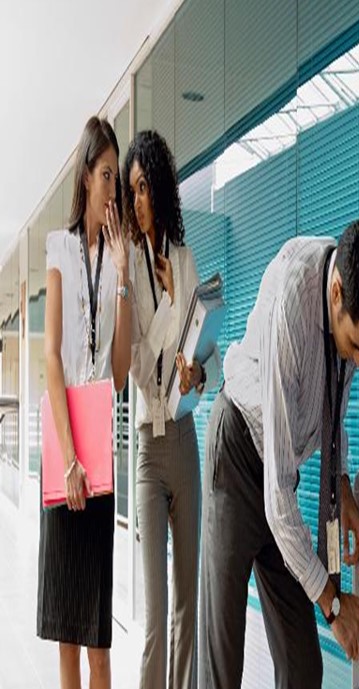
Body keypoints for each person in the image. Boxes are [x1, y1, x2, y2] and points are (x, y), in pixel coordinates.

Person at [199, 219, 359, 688]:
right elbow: (278, 500)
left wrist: (343, 486)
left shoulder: (348, 297)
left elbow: (334, 413)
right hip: (238, 457)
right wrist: (331, 605)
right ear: (335, 293)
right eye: (355, 345)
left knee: (304, 667)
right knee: (221, 662)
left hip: (277, 473)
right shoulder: (293, 300)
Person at [37, 116, 132, 689]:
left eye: (117, 178)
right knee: (67, 637)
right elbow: (51, 357)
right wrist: (68, 458)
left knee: (98, 638)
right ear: (85, 179)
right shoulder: (59, 249)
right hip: (67, 449)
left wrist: (122, 279)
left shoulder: (116, 261)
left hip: (99, 454)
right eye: (106, 175)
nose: (113, 189)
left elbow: (118, 373)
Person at [123, 129, 219, 689]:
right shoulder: (129, 269)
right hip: (148, 450)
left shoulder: (184, 260)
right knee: (157, 620)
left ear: (161, 190)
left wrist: (197, 371)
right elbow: (136, 356)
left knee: (190, 608)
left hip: (184, 439)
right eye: (130, 190)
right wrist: (171, 308)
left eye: (143, 187)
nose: (137, 201)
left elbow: (205, 352)